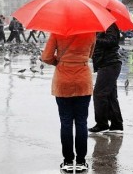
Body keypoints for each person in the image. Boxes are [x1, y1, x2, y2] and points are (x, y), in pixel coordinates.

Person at [41, 32, 96, 173]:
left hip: (63, 79)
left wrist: (60, 61)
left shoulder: (57, 32)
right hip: (83, 79)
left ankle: (67, 161)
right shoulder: (91, 33)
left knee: (65, 122)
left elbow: (46, 57)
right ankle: (81, 162)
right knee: (81, 122)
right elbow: (90, 54)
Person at [89, 23, 123, 134]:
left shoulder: (109, 25)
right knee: (110, 95)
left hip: (110, 64)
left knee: (99, 94)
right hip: (106, 63)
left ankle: (102, 123)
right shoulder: (99, 27)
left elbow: (112, 41)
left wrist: (95, 40)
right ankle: (116, 124)